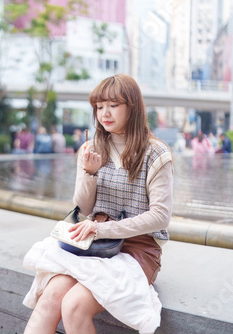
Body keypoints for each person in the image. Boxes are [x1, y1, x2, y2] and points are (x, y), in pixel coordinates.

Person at [23, 74, 173, 334]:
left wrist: (101, 229)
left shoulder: (156, 154)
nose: (104, 113)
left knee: (74, 305)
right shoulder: (91, 148)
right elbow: (81, 208)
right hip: (93, 244)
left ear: (132, 107)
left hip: (137, 247)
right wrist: (90, 173)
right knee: (50, 297)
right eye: (99, 106)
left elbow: (160, 216)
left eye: (113, 105)